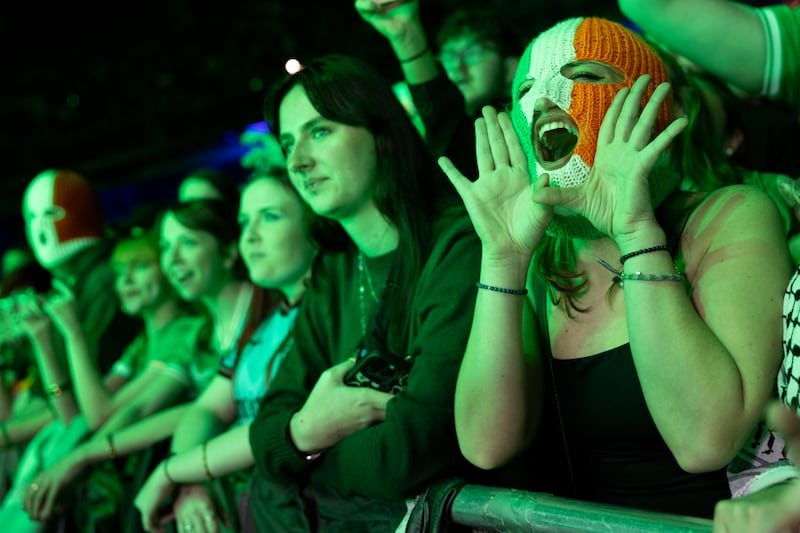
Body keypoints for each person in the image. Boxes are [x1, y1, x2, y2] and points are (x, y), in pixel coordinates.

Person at [439, 16, 792, 518]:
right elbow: (485, 444)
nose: (545, 100)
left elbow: (704, 442)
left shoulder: (728, 216)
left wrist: (636, 232)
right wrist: (503, 259)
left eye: (585, 75)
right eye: (529, 87)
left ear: (650, 106)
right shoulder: (543, 259)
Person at [247, 54, 488, 531]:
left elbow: (409, 451)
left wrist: (304, 450)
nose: (297, 161)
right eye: (289, 142)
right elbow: (267, 428)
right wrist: (308, 429)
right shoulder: (335, 268)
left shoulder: (458, 245)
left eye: (319, 132)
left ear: (381, 135)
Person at [134, 168, 318, 533]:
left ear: (315, 223)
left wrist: (174, 471)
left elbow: (283, 429)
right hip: (257, 508)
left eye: (270, 216)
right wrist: (189, 482)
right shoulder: (267, 321)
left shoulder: (323, 312)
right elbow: (206, 409)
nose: (249, 235)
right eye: (244, 220)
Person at [19, 220, 213, 530]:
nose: (126, 281)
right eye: (120, 273)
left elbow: (100, 416)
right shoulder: (142, 343)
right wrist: (41, 339)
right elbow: (72, 414)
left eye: (139, 267)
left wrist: (74, 334)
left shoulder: (183, 333)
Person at [355, 0, 524, 179]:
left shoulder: (529, 123)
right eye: (449, 56)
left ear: (511, 67)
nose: (458, 66)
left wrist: (408, 38)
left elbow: (441, 110)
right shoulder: (456, 136)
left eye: (472, 52)